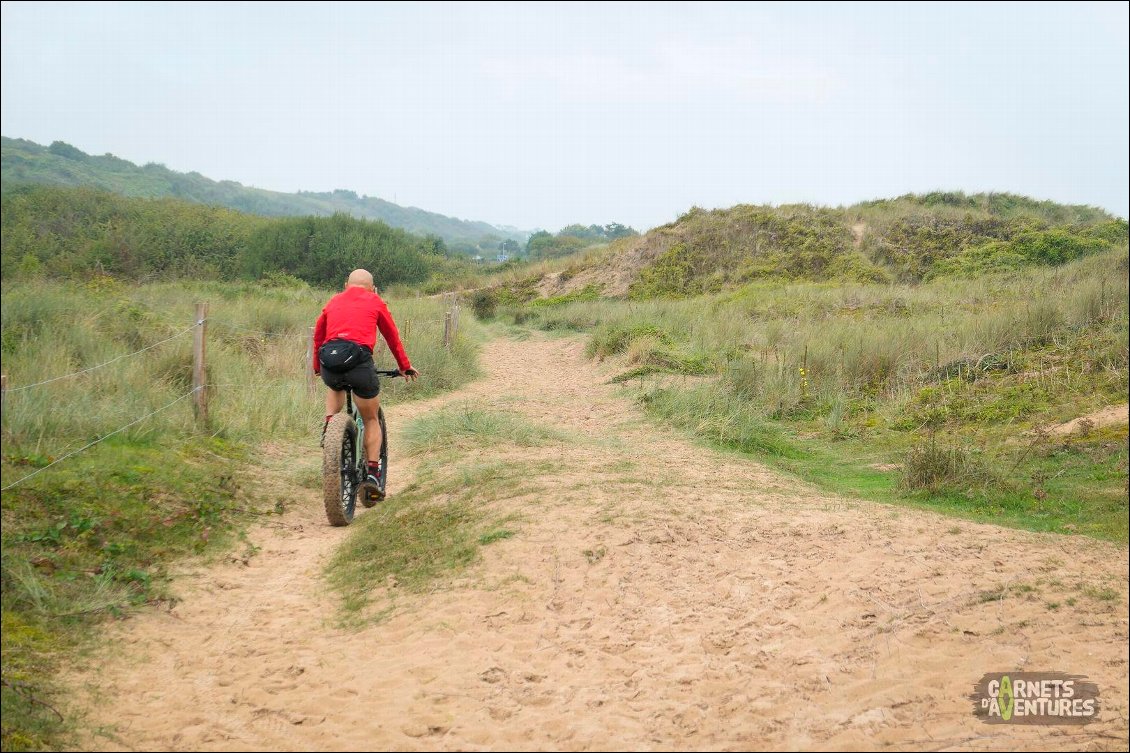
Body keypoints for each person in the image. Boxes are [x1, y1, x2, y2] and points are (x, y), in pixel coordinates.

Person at [313, 269, 418, 488]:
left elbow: (318, 337)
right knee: (370, 418)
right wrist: (404, 367)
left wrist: (317, 367)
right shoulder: (375, 301)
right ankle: (372, 474)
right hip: (360, 364)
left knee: (335, 386)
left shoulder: (333, 302)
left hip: (330, 363)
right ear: (372, 287)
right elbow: (392, 337)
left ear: (346, 285)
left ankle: (330, 424)